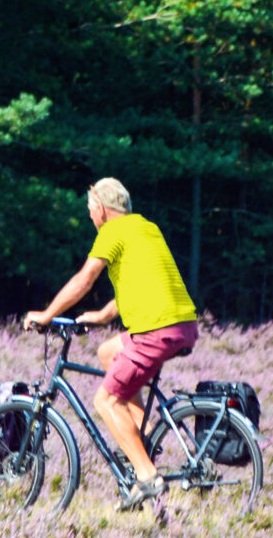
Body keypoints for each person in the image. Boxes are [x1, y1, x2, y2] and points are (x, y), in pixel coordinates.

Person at [24, 177, 200, 508]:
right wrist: (104, 316)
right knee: (108, 352)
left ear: (102, 209)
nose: (92, 216)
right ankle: (143, 432)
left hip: (155, 330)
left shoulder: (111, 232)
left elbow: (84, 279)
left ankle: (147, 476)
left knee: (106, 402)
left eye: (91, 210)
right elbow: (144, 281)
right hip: (183, 326)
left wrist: (47, 315)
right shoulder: (147, 228)